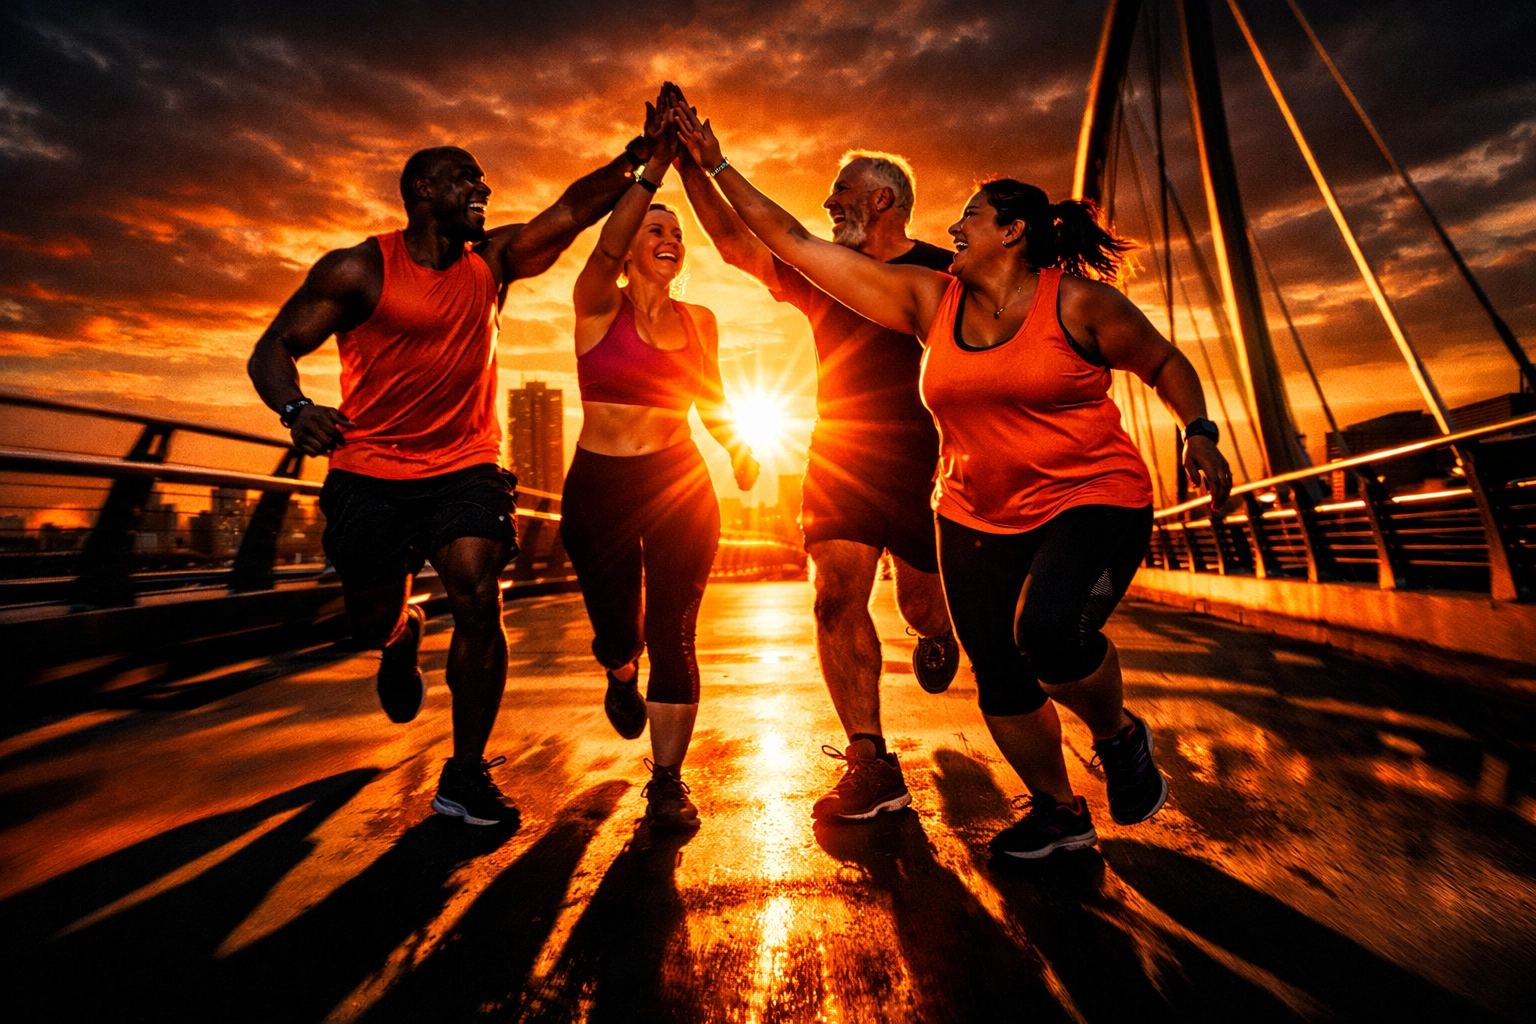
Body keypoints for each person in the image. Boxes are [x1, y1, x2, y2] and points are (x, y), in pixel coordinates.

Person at [674, 106, 1234, 859]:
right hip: (912, 482)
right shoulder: (908, 292)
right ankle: (1016, 801)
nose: (956, 228)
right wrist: (702, 162)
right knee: (940, 643)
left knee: (1018, 629)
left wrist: (1198, 431)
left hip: (1018, 479)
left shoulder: (1020, 292)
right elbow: (780, 242)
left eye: (970, 215)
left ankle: (1108, 729)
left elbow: (1162, 361)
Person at [247, 95, 674, 828]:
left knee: (479, 594)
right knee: (367, 619)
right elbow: (273, 349)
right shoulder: (357, 270)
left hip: (464, 467)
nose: (482, 191)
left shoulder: (494, 262)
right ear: (422, 191)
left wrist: (645, 160)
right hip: (369, 471)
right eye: (465, 181)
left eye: (482, 183)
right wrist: (295, 410)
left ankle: (465, 774)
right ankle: (401, 631)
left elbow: (570, 212)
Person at [669, 87, 960, 824]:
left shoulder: (945, 274)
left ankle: (937, 628)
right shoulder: (823, 270)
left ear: (885, 199)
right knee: (834, 596)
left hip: (928, 459)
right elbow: (740, 247)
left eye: (843, 194)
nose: (830, 205)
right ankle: (872, 761)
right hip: (840, 451)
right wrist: (687, 168)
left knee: (923, 602)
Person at [562, 101, 758, 829]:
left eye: (677, 232)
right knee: (623, 630)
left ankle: (667, 781)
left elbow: (713, 401)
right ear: (632, 243)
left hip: (677, 485)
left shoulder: (699, 321)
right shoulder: (594, 305)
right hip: (600, 490)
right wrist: (650, 172)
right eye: (656, 229)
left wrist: (739, 447)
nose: (670, 237)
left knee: (675, 631)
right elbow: (603, 251)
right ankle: (617, 667)